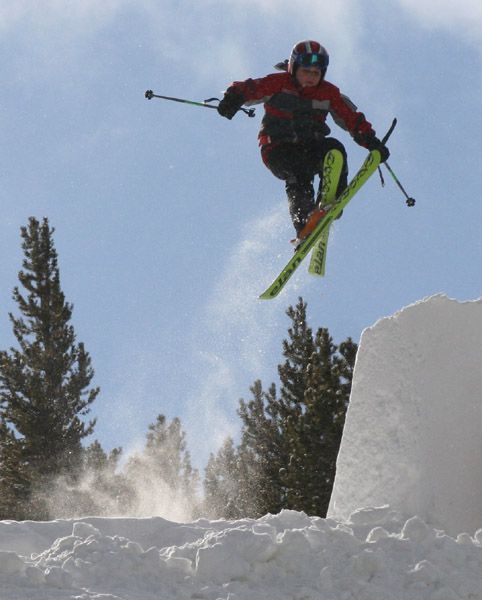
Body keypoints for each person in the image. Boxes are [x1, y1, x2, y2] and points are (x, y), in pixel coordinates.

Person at [217, 40, 390, 239]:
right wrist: (233, 98)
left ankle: (329, 199)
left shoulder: (328, 93)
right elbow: (250, 88)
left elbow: (351, 118)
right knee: (299, 172)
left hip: (309, 146)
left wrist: (371, 141)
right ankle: (304, 221)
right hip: (278, 149)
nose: (310, 78)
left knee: (334, 148)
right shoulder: (279, 83)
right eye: (306, 71)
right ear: (294, 67)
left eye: (316, 73)